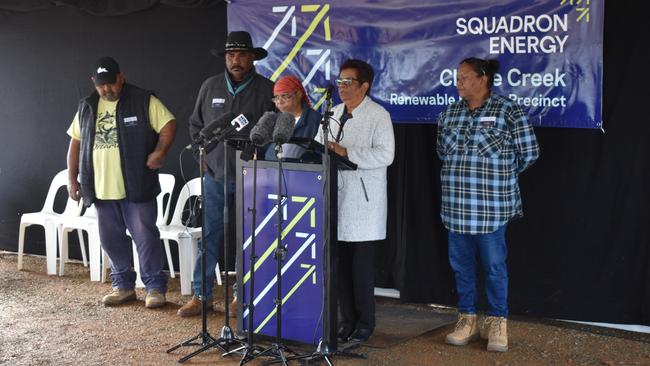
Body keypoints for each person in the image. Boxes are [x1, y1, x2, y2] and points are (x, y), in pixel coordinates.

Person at [437, 57, 539, 352]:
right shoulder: (449, 114)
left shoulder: (508, 110)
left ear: (483, 79)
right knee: (461, 267)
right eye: (457, 78)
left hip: (491, 209)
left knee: (494, 266)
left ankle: (497, 321)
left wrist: (500, 175)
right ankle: (467, 319)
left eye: (464, 77)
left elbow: (529, 153)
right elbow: (443, 153)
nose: (459, 82)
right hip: (456, 207)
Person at [66, 56, 177, 308]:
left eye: (111, 83)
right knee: (111, 239)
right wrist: (72, 178)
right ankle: (123, 285)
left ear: (121, 77)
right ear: (94, 83)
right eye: (101, 85)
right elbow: (75, 143)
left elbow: (169, 124)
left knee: (145, 237)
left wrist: (160, 152)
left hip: (136, 184)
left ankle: (154, 288)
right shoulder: (87, 106)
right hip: (101, 188)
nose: (107, 89)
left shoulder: (143, 99)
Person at [178, 31, 274, 317]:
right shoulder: (210, 87)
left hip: (251, 178)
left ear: (252, 58)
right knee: (209, 236)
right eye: (231, 55)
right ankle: (202, 295)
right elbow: (196, 126)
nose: (236, 60)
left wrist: (262, 159)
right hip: (215, 177)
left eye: (242, 55)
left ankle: (241, 296)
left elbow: (274, 129)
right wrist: (202, 156)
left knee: (247, 239)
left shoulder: (267, 90)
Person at [316, 59, 395, 343]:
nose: (342, 87)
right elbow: (318, 145)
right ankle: (346, 321)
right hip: (334, 199)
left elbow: (386, 155)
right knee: (339, 269)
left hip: (363, 204)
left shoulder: (378, 115)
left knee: (360, 271)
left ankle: (365, 324)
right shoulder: (333, 113)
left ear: (365, 85)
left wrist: (346, 152)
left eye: (348, 82)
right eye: (339, 81)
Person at [264, 75, 321, 160]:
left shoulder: (316, 121)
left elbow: (319, 155)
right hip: (270, 171)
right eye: (276, 97)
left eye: (284, 96)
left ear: (299, 94)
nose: (279, 102)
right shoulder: (274, 119)